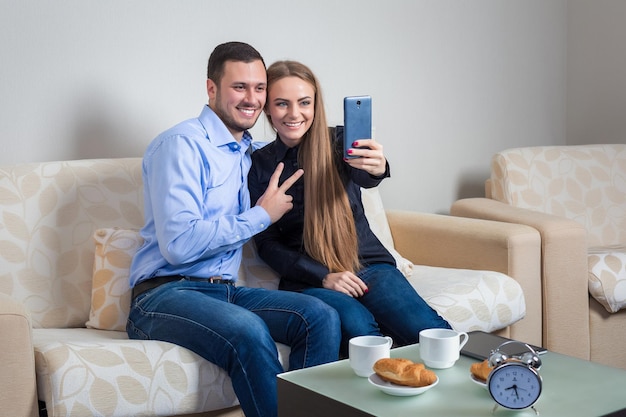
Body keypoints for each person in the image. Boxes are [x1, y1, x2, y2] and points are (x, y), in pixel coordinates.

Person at [126, 43, 341, 417]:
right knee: (249, 331)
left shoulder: (250, 154)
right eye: (239, 87)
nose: (252, 99)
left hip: (224, 292)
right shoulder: (182, 145)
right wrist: (261, 216)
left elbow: (303, 137)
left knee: (319, 316)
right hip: (163, 296)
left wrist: (367, 163)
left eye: (260, 88)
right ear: (211, 89)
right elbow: (178, 244)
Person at [248, 60, 451, 356]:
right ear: (267, 109)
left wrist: (378, 167)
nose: (294, 114)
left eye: (304, 103)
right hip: (310, 281)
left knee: (431, 332)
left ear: (316, 106)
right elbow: (267, 243)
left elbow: (365, 177)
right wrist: (323, 276)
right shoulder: (260, 164)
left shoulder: (339, 141)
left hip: (367, 264)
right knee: (360, 331)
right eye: (281, 104)